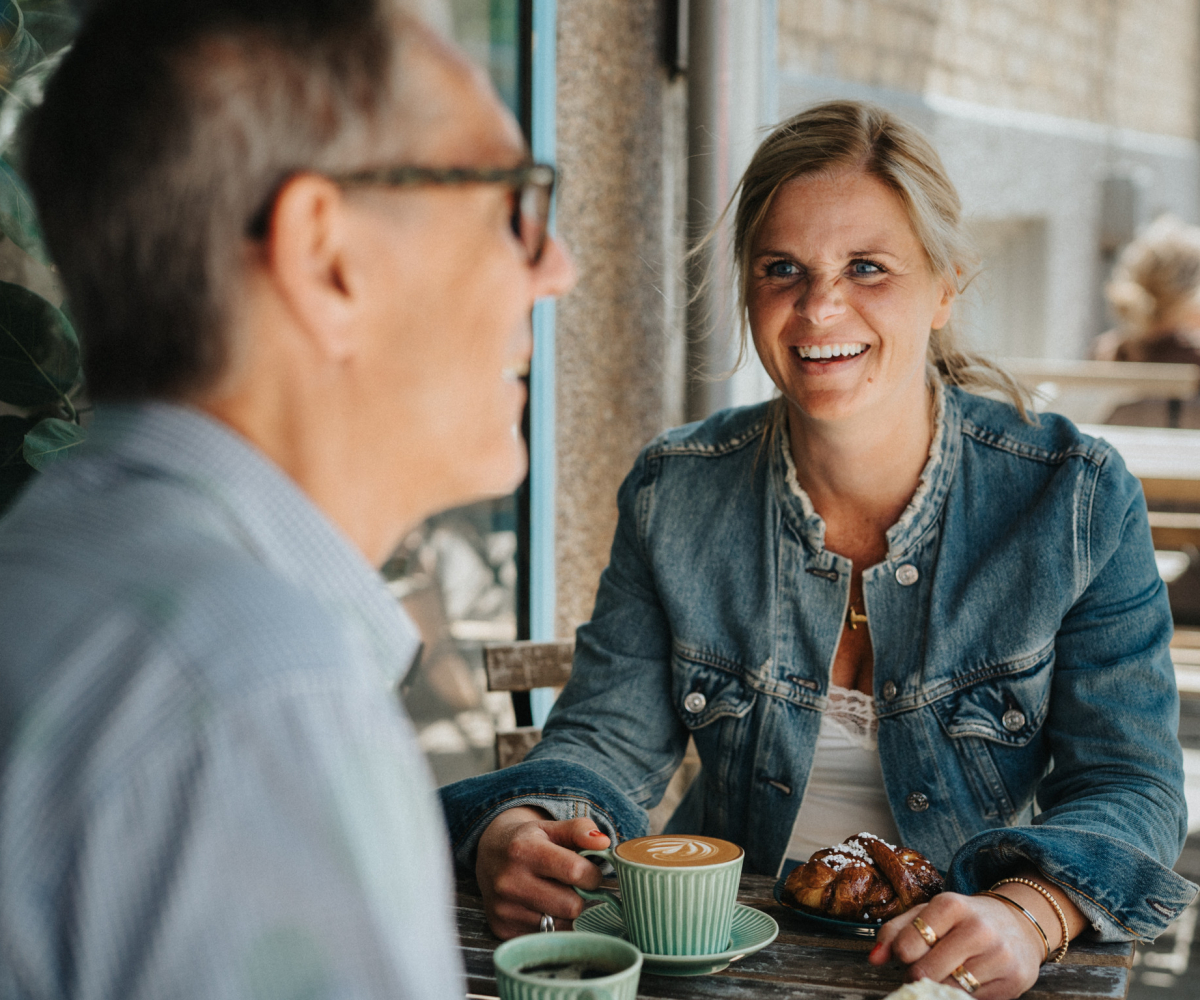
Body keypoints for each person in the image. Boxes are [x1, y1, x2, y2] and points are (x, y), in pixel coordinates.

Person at [440, 100, 1196, 999]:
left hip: (963, 968)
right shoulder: (676, 491)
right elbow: (607, 739)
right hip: (723, 958)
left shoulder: (1072, 496)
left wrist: (1031, 909)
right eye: (782, 268)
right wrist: (525, 824)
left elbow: (1133, 784)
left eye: (868, 267)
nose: (819, 306)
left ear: (945, 285)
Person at [0, 1, 574, 997]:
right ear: (326, 258)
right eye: (509, 206)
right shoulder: (261, 706)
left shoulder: (50, 565)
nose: (556, 268)